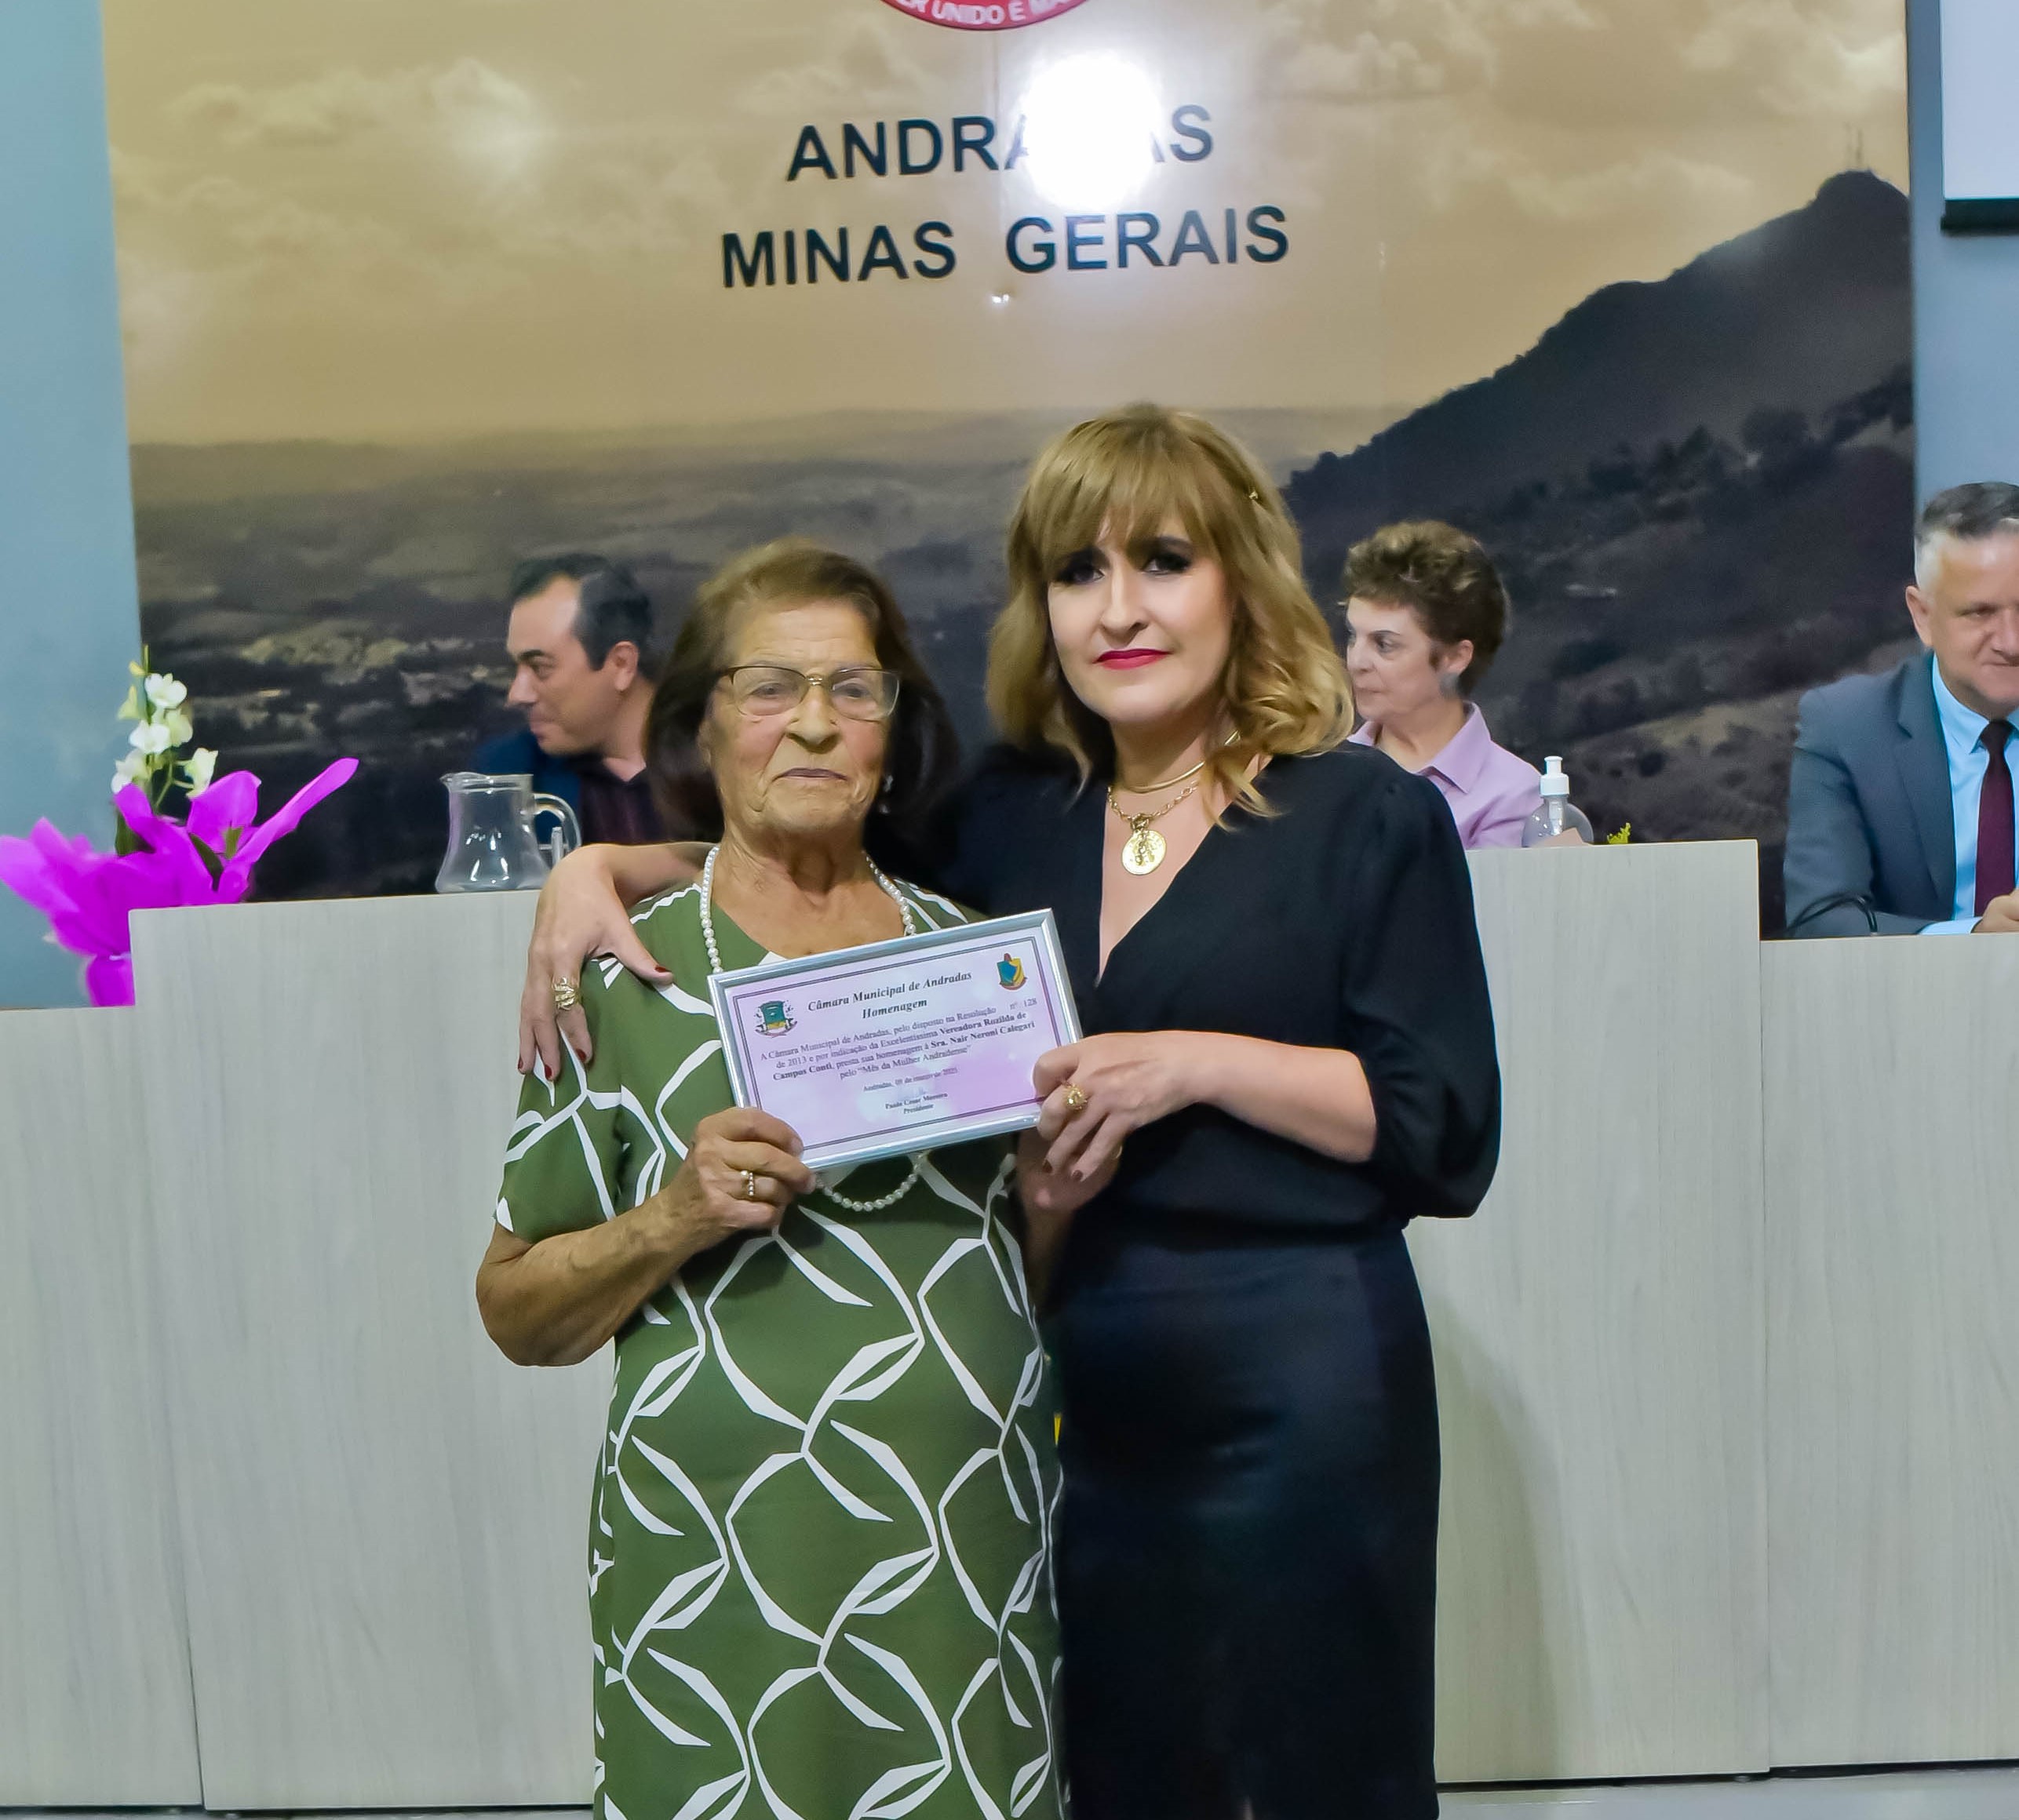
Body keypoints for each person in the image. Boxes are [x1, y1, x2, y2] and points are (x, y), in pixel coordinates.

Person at [514, 406, 1502, 1818]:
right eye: (1077, 572)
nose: (1120, 610)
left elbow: (1441, 1128)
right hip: (1066, 1388)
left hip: (1296, 1378)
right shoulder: (1013, 816)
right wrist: (598, 872)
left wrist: (1193, 1063)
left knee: (1313, 1770)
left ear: (1239, 582)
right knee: (1116, 1773)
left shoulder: (1358, 814)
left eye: (1163, 562)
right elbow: (808, 831)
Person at [476, 540, 1062, 1820]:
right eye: (769, 688)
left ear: (894, 730)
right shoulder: (620, 975)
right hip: (715, 1556)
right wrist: (672, 1218)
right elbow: (515, 1307)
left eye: (853, 689)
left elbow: (1026, 1272)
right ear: (702, 722)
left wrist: (1060, 1199)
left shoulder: (976, 968)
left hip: (962, 1541)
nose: (813, 723)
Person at [1785, 482, 2019, 937]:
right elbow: (1822, 921)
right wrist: (1972, 939)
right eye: (1980, 612)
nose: (2011, 642)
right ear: (1923, 616)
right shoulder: (1845, 729)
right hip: (1909, 984)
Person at [1342, 519, 1541, 848]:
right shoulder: (1324, 776)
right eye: (1353, 636)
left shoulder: (1512, 797)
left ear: (1455, 657)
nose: (1357, 662)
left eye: (1384, 645)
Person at [475, 554, 667, 844]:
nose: (517, 695)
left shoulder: (718, 762)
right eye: (516, 668)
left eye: (540, 668)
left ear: (621, 664)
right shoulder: (506, 778)